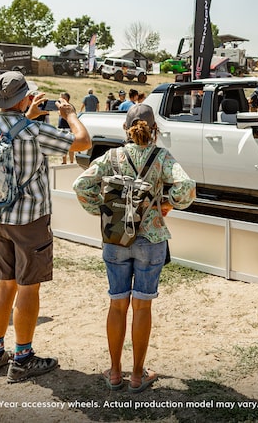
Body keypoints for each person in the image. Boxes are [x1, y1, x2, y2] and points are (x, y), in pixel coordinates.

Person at [72, 104, 196, 393]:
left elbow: (81, 185)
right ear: (155, 130)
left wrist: (100, 211)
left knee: (117, 304)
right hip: (150, 239)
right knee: (142, 305)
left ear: (125, 129)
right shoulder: (161, 157)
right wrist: (167, 204)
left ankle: (115, 373)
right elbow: (186, 187)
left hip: (116, 238)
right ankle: (138, 375)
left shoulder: (111, 157)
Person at [0, 71, 91, 383]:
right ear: (25, 98)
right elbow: (83, 142)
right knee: (28, 287)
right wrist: (70, 115)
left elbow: (11, 136)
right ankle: (24, 358)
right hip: (30, 219)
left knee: (4, 284)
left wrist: (26, 114)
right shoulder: (35, 132)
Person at [58, 92, 75, 165]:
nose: (60, 99)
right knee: (62, 145)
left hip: (68, 127)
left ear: (66, 98)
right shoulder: (61, 106)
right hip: (61, 127)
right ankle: (64, 161)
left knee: (70, 145)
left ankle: (71, 161)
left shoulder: (70, 106)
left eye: (62, 97)